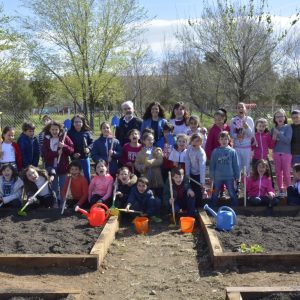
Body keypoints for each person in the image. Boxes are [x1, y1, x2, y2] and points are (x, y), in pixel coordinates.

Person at [42, 121, 74, 206]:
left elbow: (71, 150)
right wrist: (56, 153)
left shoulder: (64, 138)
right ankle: (55, 202)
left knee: (63, 186)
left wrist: (65, 146)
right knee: (54, 187)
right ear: (49, 130)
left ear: (60, 130)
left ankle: (63, 202)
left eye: (56, 129)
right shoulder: (46, 139)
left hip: (63, 167)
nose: (54, 131)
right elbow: (45, 154)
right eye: (52, 129)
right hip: (51, 167)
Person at [209, 131, 239, 208]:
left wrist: (237, 176)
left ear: (229, 140)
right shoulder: (215, 151)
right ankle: (212, 205)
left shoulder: (232, 151)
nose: (224, 141)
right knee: (215, 192)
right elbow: (212, 164)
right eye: (222, 139)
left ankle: (235, 206)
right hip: (218, 177)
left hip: (229, 176)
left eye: (226, 139)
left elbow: (235, 165)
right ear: (219, 140)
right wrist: (211, 176)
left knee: (231, 192)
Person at [270, 109, 292, 197]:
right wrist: (274, 139)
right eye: (277, 116)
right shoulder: (273, 129)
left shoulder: (288, 127)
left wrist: (278, 134)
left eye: (281, 116)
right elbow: (272, 144)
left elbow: (287, 141)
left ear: (284, 118)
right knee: (278, 173)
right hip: (276, 153)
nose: (279, 118)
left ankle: (289, 190)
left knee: (287, 173)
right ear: (275, 119)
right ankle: (281, 191)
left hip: (286, 153)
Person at [230, 102, 254, 177]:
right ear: (236, 110)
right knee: (237, 167)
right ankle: (237, 186)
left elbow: (251, 134)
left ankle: (247, 187)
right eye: (238, 107)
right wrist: (237, 135)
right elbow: (231, 134)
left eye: (242, 107)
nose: (240, 109)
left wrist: (246, 127)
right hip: (237, 147)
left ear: (245, 110)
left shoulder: (249, 119)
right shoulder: (234, 120)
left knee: (247, 168)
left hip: (247, 148)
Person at [67, 114, 93, 183]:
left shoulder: (87, 132)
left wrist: (89, 149)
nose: (77, 123)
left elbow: (92, 143)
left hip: (85, 158)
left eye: (79, 122)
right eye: (76, 122)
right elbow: (67, 146)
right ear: (73, 123)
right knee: (75, 175)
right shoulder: (69, 133)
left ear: (83, 123)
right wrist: (73, 154)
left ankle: (88, 191)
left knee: (87, 175)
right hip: (75, 159)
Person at [185, 133, 207, 206]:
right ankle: (192, 206)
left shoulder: (201, 153)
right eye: (193, 141)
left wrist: (202, 181)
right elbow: (187, 161)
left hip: (199, 174)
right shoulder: (189, 149)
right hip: (191, 173)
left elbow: (202, 167)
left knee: (198, 191)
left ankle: (199, 207)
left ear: (201, 142)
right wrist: (187, 173)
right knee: (191, 189)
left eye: (197, 141)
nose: (194, 143)